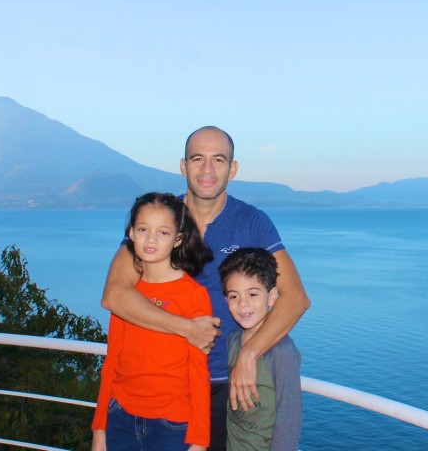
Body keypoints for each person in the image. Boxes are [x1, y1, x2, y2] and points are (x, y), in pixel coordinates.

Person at [102, 126, 311, 451]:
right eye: (198, 159)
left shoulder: (252, 222)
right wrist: (186, 328)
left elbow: (295, 297)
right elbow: (115, 293)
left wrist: (249, 354)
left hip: (225, 386)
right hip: (159, 386)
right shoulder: (161, 220)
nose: (208, 169)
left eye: (219, 160)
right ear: (184, 166)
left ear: (233, 168)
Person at [92, 192, 214, 451]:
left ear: (178, 239)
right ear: (131, 234)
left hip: (172, 424)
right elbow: (112, 359)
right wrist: (99, 429)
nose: (151, 239)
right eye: (143, 229)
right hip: (120, 416)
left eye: (163, 232)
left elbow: (198, 373)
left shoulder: (193, 295)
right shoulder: (128, 296)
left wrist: (200, 441)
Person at [219, 248, 302, 451]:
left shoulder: (282, 352)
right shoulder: (233, 340)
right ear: (225, 301)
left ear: (272, 296)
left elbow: (289, 416)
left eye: (253, 294)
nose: (243, 304)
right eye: (234, 296)